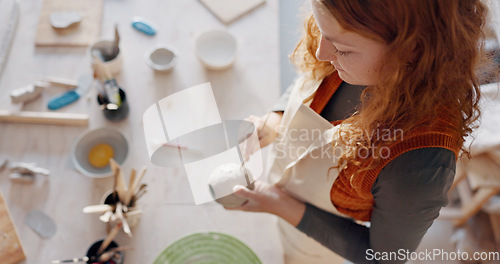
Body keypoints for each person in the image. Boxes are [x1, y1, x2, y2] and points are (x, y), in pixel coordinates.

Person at [227, 0, 490, 263]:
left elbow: (384, 257)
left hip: (317, 244)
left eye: (342, 49)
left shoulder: (420, 163)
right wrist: (277, 119)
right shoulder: (344, 46)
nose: (321, 53)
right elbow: (311, 78)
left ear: (411, 51)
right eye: (321, 31)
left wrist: (279, 204)